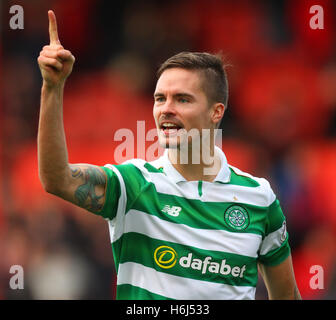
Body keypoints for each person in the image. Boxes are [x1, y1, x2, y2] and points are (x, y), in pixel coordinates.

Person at [37, 10, 301, 300]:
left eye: (182, 99)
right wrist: (53, 87)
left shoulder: (259, 198)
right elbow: (56, 178)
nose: (166, 108)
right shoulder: (134, 184)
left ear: (216, 112)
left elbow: (287, 296)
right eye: (160, 98)